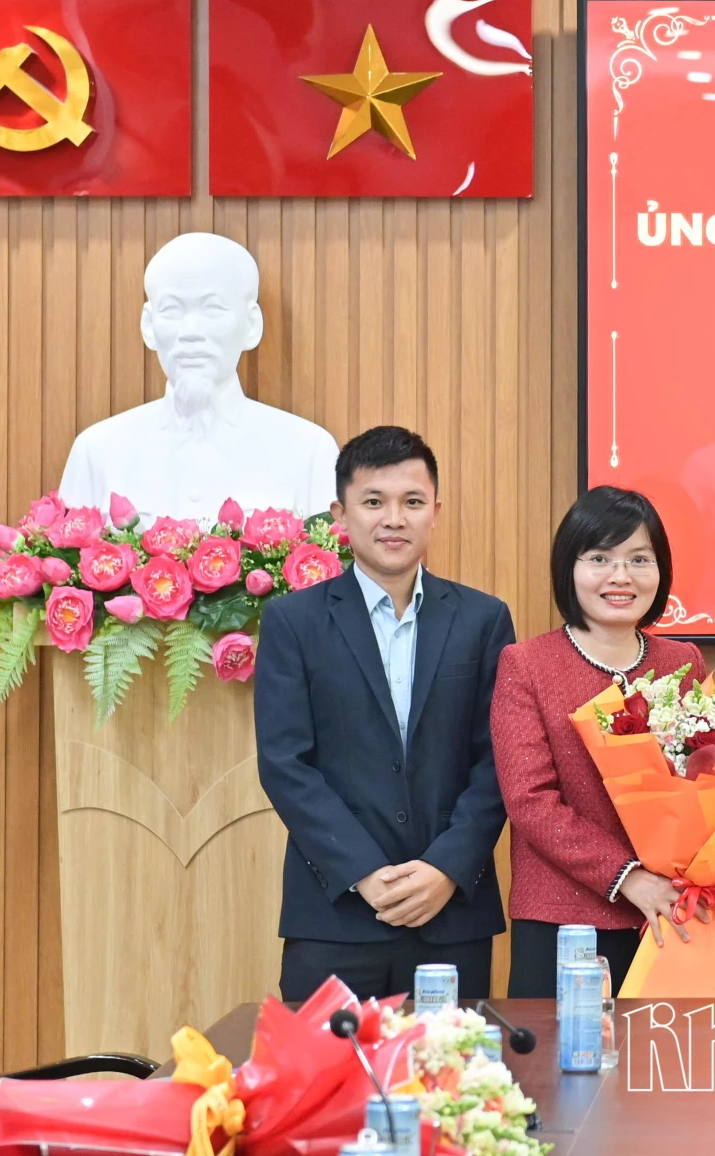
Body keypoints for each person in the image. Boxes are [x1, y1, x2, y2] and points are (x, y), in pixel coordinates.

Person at [255, 426, 515, 1000]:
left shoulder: (483, 620)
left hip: (450, 914)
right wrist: (364, 873)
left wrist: (446, 868)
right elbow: (285, 764)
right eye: (374, 502)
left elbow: (499, 760)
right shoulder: (293, 622)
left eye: (412, 502)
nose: (394, 519)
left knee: (451, 1061)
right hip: (335, 914)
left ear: (435, 513)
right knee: (326, 1061)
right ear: (340, 515)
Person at [491, 486, 710, 996]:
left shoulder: (683, 662)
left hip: (667, 914)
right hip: (562, 919)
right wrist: (628, 877)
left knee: (662, 1049)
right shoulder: (526, 665)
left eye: (639, 559)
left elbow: (706, 784)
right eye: (599, 559)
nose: (621, 576)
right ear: (569, 568)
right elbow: (530, 801)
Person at [58, 232, 338, 524]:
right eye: (172, 310)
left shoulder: (308, 451)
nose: (191, 331)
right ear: (149, 325)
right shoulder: (97, 452)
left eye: (213, 308)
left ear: (251, 325)